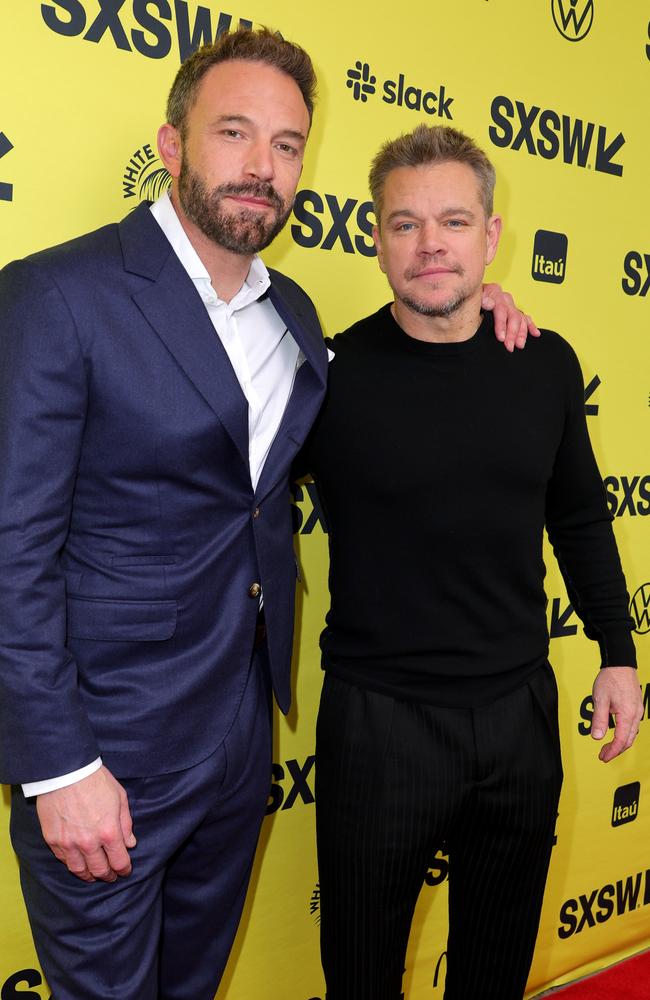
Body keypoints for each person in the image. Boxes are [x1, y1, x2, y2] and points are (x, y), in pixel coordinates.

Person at [0, 29, 534, 1000]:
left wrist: (463, 318)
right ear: (171, 145)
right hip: (103, 758)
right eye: (234, 132)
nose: (261, 168)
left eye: (287, 145)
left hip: (240, 745)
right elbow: (10, 548)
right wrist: (54, 764)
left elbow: (360, 439)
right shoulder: (55, 296)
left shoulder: (290, 316)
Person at [303, 125, 644, 1000]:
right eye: (404, 224)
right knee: (362, 979)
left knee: (494, 972)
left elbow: (577, 516)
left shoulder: (546, 363)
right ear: (374, 238)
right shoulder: (326, 375)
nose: (430, 246)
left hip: (517, 722)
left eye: (453, 222)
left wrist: (617, 651)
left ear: (491, 237)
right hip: (378, 726)